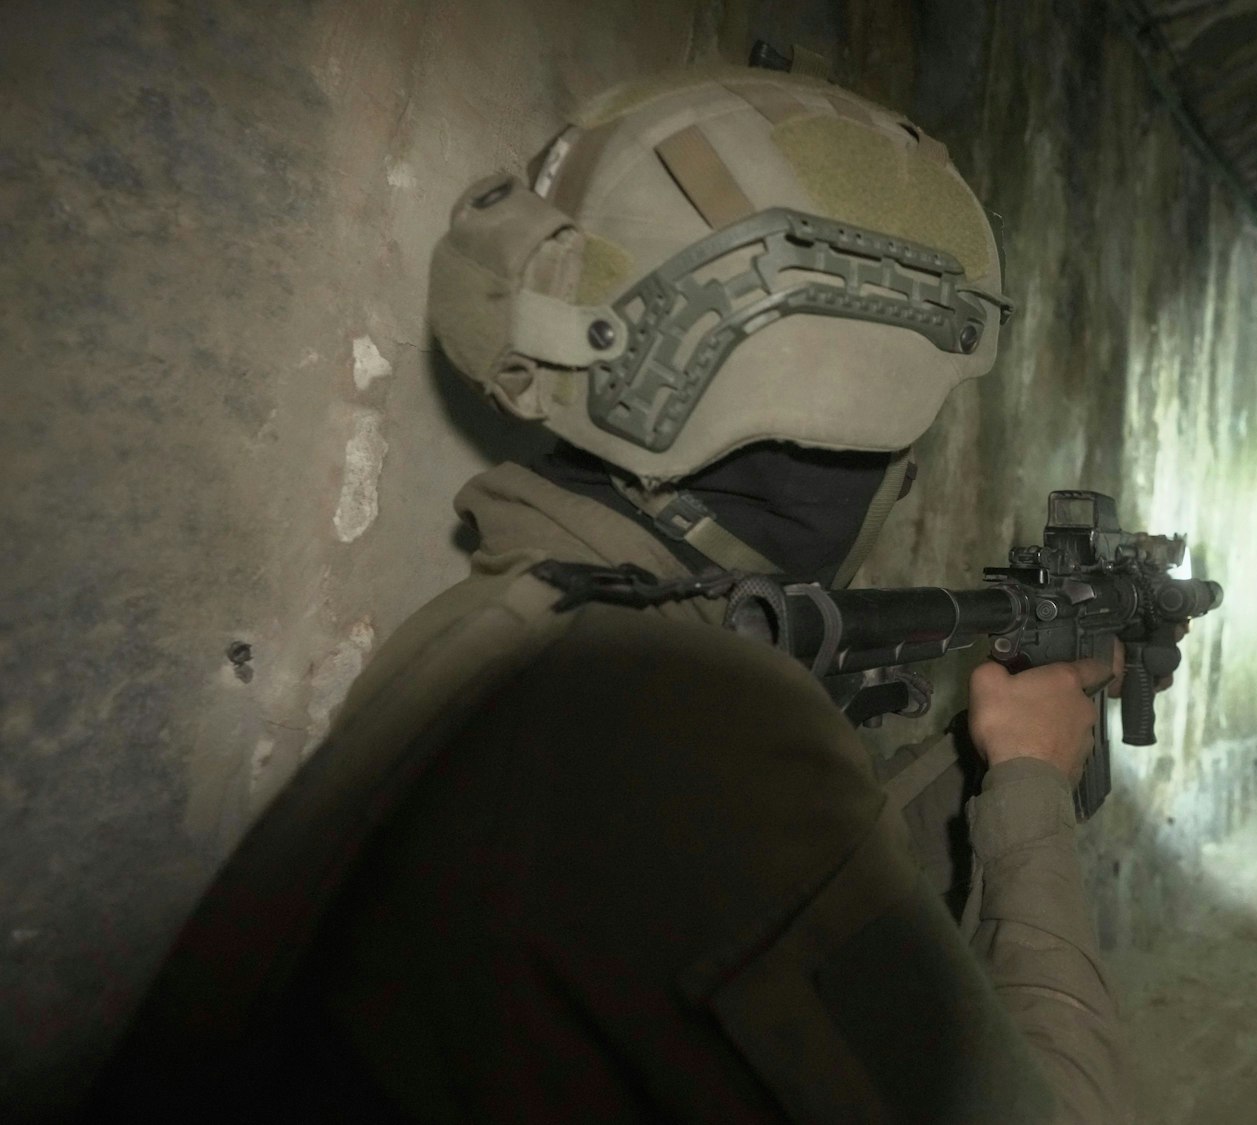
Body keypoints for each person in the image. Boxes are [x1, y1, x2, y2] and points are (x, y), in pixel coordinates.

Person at [87, 66, 1134, 1123]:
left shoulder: (510, 632)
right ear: (852, 421)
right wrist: (1031, 787)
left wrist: (962, 762)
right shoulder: (688, 723)